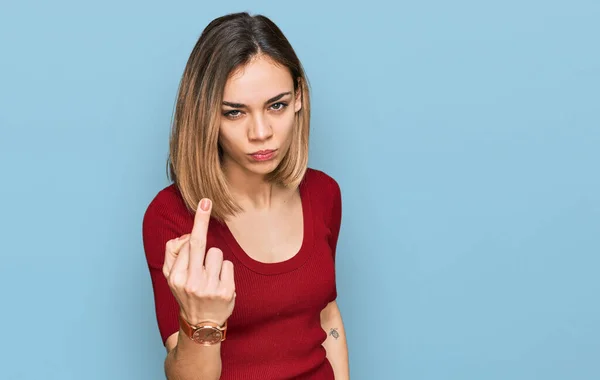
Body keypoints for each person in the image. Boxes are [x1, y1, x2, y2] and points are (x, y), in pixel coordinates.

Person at [142, 11, 349, 380]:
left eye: (277, 105)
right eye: (235, 113)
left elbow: (327, 315)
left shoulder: (324, 193)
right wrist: (203, 320)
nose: (261, 132)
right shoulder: (171, 217)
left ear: (299, 97)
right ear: (206, 116)